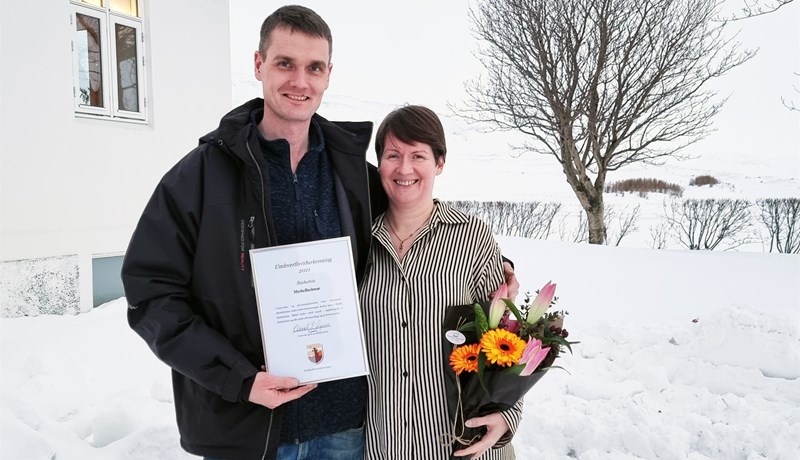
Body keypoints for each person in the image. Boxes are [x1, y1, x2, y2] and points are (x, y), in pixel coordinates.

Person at [122, 5, 518, 460]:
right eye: (285, 63)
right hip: (246, 431)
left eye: (314, 67)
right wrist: (239, 379)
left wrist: (500, 267)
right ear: (258, 64)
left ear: (329, 74)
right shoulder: (199, 178)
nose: (300, 81)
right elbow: (150, 294)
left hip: (347, 429)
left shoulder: (354, 175)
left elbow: (421, 216)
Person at [359, 105, 523, 460]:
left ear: (439, 163)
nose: (404, 168)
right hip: (386, 445)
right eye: (393, 155)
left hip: (464, 445)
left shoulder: (473, 237)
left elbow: (506, 338)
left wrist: (508, 416)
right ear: (379, 164)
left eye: (418, 155)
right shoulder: (359, 243)